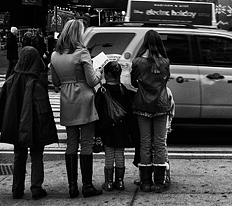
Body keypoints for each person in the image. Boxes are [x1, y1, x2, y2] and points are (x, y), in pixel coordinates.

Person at [0, 46, 58, 199]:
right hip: (36, 127)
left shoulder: (10, 81)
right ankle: (36, 188)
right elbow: (44, 111)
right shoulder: (37, 83)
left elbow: (0, 107)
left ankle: (17, 189)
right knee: (37, 155)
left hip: (16, 127)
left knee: (19, 156)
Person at [49, 19, 103, 198]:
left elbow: (55, 82)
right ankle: (87, 185)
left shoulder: (55, 55)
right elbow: (92, 80)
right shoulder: (82, 53)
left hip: (67, 100)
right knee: (86, 143)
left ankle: (72, 186)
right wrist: (99, 72)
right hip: (85, 99)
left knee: (71, 143)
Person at [131, 30, 172, 193]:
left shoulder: (138, 62)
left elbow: (134, 83)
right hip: (161, 105)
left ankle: (146, 181)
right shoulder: (165, 62)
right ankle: (159, 182)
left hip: (142, 105)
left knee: (145, 143)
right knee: (160, 143)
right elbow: (166, 80)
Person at [96, 60, 134, 192]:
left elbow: (98, 111)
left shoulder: (102, 91)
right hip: (121, 128)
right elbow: (129, 111)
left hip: (107, 128)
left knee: (109, 154)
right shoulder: (124, 90)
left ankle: (109, 182)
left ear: (106, 74)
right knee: (120, 154)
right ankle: (120, 181)